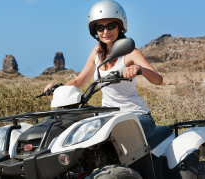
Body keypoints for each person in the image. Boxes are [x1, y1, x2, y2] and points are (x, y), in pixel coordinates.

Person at [44, 0, 163, 139]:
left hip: (136, 116)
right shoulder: (97, 52)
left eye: (111, 26)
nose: (105, 31)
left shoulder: (130, 52)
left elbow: (158, 79)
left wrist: (140, 69)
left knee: (114, 139)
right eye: (100, 28)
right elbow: (79, 81)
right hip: (108, 117)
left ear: (120, 27)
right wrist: (57, 89)